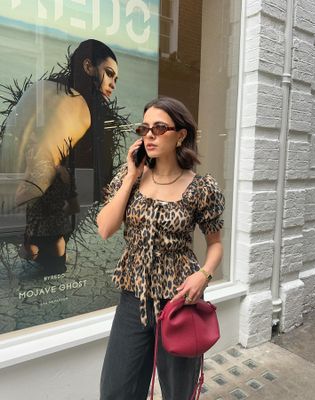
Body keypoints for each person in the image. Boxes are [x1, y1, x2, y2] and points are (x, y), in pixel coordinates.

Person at [97, 96, 225, 400]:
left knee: (178, 391)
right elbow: (105, 228)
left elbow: (216, 244)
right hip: (133, 298)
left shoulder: (202, 188)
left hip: (179, 300)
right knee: (117, 389)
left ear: (181, 135)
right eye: (144, 128)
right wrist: (131, 176)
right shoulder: (131, 178)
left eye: (159, 127)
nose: (149, 135)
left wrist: (203, 275)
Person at [0, 39, 119, 275]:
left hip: (21, 200)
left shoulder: (42, 87)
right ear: (87, 66)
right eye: (108, 74)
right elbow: (41, 166)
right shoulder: (80, 109)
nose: (112, 85)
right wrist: (9, 213)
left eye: (115, 79)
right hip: (27, 206)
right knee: (53, 261)